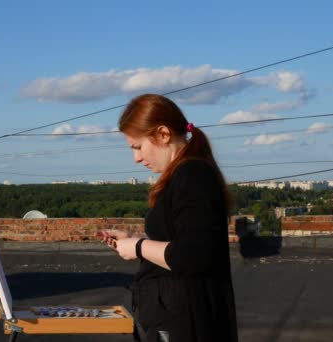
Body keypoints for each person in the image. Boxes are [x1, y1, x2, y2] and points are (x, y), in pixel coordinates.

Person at [101, 94, 238, 342]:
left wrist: (139, 247)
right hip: (177, 319)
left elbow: (192, 257)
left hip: (188, 323)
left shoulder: (193, 175)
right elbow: (181, 239)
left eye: (138, 147)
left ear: (163, 134)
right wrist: (136, 240)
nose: (137, 158)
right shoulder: (184, 175)